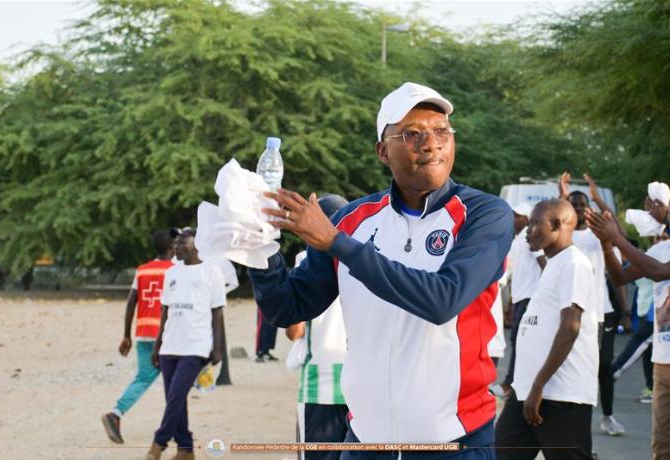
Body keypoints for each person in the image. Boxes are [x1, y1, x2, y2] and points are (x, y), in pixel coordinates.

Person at [249, 82, 514, 459]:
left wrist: (337, 243)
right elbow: (287, 309)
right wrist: (260, 250)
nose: (431, 143)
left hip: (454, 444)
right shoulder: (353, 220)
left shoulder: (485, 214)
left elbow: (443, 299)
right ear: (382, 151)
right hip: (366, 442)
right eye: (412, 134)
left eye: (441, 131)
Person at [495, 199, 598, 460]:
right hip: (527, 393)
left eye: (533, 224)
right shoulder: (554, 264)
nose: (528, 230)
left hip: (560, 396)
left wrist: (539, 385)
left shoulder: (575, 264)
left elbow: (570, 327)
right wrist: (527, 386)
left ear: (555, 225)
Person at [586, 199, 670, 460]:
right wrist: (606, 245)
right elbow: (620, 277)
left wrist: (617, 239)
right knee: (662, 445)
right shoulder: (662, 248)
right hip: (663, 362)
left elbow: (659, 272)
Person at [146, 227, 226, 460]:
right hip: (170, 344)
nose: (176, 246)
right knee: (174, 399)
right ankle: (186, 449)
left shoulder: (212, 271)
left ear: (198, 244)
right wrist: (157, 345)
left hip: (196, 346)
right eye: (176, 243)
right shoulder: (171, 273)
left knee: (176, 396)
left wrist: (218, 348)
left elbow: (217, 313)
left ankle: (158, 444)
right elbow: (165, 311)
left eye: (182, 242)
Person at [559, 172, 626, 436]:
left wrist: (626, 312)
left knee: (603, 367)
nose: (577, 208)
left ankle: (608, 416)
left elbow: (618, 234)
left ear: (588, 208)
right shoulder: (563, 237)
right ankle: (570, 419)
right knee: (571, 365)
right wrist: (562, 196)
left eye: (581, 204)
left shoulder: (599, 236)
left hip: (600, 314)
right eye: (572, 204)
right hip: (571, 314)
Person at [286, 194, 350, 460]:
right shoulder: (369, 257)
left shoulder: (305, 259)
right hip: (363, 383)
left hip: (320, 383)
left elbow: (295, 331)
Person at [101, 229, 175, 444]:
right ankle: (174, 427)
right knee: (177, 378)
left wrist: (126, 335)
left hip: (143, 333)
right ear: (172, 248)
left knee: (144, 377)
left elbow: (131, 301)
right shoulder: (175, 270)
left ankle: (116, 413)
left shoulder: (142, 270)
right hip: (167, 334)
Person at [495, 202, 546, 398]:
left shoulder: (530, 235)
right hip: (520, 297)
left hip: (531, 297)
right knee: (518, 340)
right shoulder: (518, 239)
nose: (513, 219)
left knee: (521, 341)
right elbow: (509, 270)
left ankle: (513, 384)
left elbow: (544, 264)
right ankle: (515, 383)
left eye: (517, 215)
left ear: (526, 218)